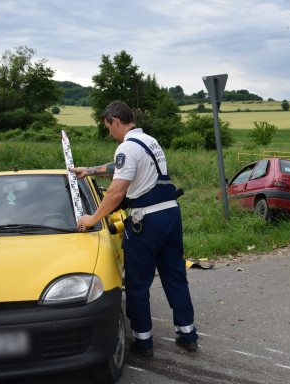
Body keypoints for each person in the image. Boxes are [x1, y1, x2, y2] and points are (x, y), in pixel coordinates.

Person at [71, 100, 198, 356]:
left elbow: (117, 192)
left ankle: (143, 342)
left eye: (108, 126)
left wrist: (93, 218)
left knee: (138, 284)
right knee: (175, 277)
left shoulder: (126, 148)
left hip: (146, 222)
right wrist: (90, 170)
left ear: (115, 121)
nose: (109, 132)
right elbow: (122, 168)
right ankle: (188, 335)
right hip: (170, 215)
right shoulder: (149, 142)